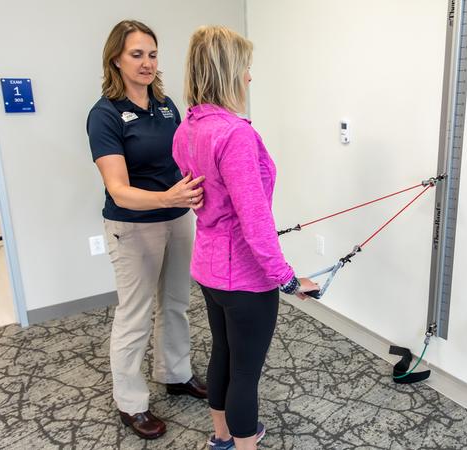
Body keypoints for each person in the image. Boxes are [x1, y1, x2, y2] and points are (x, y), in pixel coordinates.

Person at [172, 26, 319, 450]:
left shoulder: (188, 129)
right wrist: (288, 280)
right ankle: (244, 444)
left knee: (224, 355)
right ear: (227, 71)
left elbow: (214, 201)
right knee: (245, 372)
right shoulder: (235, 134)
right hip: (245, 279)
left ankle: (221, 437)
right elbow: (255, 221)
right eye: (246, 68)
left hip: (209, 270)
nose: (250, 77)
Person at [86, 20, 208, 440]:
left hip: (176, 220)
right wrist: (167, 199)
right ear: (116, 59)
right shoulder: (104, 115)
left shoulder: (166, 104)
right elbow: (118, 191)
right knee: (135, 315)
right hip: (133, 226)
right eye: (136, 54)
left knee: (175, 303)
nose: (146, 63)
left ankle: (175, 374)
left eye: (152, 54)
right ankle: (131, 403)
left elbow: (180, 159)